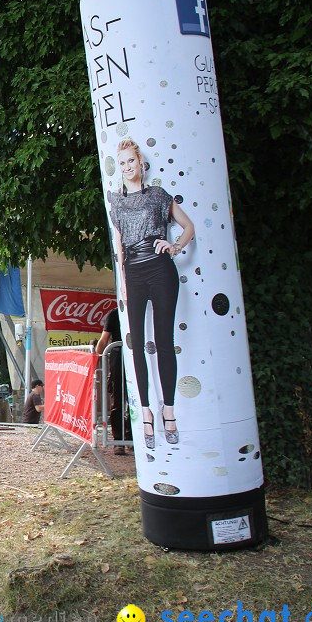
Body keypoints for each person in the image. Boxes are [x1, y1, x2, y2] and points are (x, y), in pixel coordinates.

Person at [109, 137, 195, 449]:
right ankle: (145, 412)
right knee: (137, 349)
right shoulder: (115, 202)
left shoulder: (158, 196)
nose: (127, 167)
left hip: (160, 269)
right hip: (133, 270)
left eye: (131, 161)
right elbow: (119, 245)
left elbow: (188, 227)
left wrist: (174, 246)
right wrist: (122, 282)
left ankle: (168, 413)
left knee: (164, 342)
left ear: (141, 164)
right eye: (121, 163)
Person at [95, 308, 131, 455]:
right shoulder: (115, 313)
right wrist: (95, 357)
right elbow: (104, 340)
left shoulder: (144, 307)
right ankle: (119, 440)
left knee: (137, 401)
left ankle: (131, 439)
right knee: (118, 400)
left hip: (136, 356)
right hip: (119, 356)